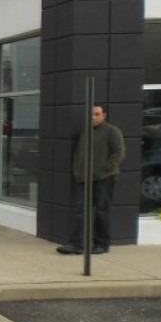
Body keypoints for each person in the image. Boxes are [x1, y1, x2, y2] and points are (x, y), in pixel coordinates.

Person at [57, 104, 125, 255]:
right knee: (81, 211)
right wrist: (78, 171)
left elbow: (118, 154)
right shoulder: (85, 132)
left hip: (104, 178)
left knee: (102, 212)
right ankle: (75, 244)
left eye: (97, 114)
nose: (93, 117)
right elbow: (79, 154)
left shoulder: (112, 131)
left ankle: (101, 244)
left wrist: (102, 170)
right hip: (84, 179)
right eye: (91, 114)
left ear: (104, 115)